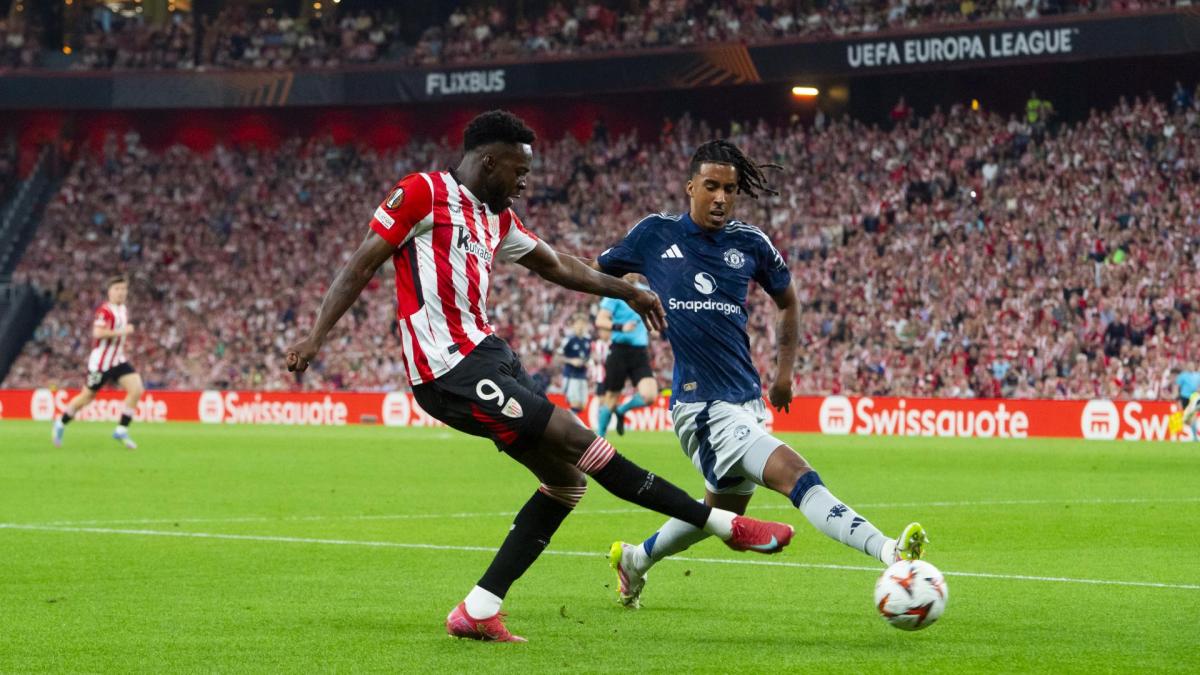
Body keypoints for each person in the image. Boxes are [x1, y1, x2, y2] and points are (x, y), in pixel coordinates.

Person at [283, 111, 797, 642]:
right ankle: (726, 526)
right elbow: (363, 262)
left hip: (489, 355)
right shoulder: (422, 194)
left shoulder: (496, 218)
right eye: (519, 171)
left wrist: (629, 289)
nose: (526, 182)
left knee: (566, 482)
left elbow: (559, 265)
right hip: (446, 368)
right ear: (489, 161)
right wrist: (315, 337)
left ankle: (478, 610)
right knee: (580, 441)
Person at [594, 139, 929, 609]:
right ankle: (888, 551)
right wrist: (629, 293)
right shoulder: (654, 235)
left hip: (746, 400)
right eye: (711, 186)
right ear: (690, 187)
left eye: (730, 189)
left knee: (718, 512)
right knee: (797, 474)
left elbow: (788, 300)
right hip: (702, 406)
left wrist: (784, 375)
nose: (721, 198)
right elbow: (599, 270)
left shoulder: (749, 243)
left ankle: (635, 560)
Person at [52, 275, 145, 450]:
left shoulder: (123, 310)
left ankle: (121, 429)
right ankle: (61, 422)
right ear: (110, 292)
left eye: (124, 289)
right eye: (117, 289)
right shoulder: (104, 311)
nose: (121, 293)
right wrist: (123, 331)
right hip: (101, 364)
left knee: (137, 389)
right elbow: (98, 333)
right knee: (87, 396)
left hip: (117, 360)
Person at [595, 276, 658, 437]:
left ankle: (622, 410)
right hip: (618, 351)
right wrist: (621, 327)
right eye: (627, 270)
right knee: (611, 398)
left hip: (639, 352)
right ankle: (599, 438)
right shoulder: (614, 291)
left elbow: (650, 315)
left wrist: (653, 328)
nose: (631, 273)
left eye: (634, 270)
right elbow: (600, 320)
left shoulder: (645, 291)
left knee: (650, 396)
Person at [559, 313, 591, 414]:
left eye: (583, 324)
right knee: (575, 405)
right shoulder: (568, 340)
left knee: (582, 406)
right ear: (573, 325)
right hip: (571, 376)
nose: (580, 326)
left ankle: (564, 421)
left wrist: (588, 362)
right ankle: (565, 426)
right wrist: (571, 361)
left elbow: (588, 357)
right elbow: (558, 357)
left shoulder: (587, 340)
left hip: (582, 376)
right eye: (578, 324)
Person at [1175, 366, 1200, 439]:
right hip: (1184, 398)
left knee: (1192, 418)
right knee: (1183, 417)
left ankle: (1194, 436)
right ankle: (1177, 435)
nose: (1191, 367)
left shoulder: (1197, 375)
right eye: (1189, 365)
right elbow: (1177, 386)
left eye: (1192, 366)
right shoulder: (1183, 375)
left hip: (1194, 398)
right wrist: (1178, 397)